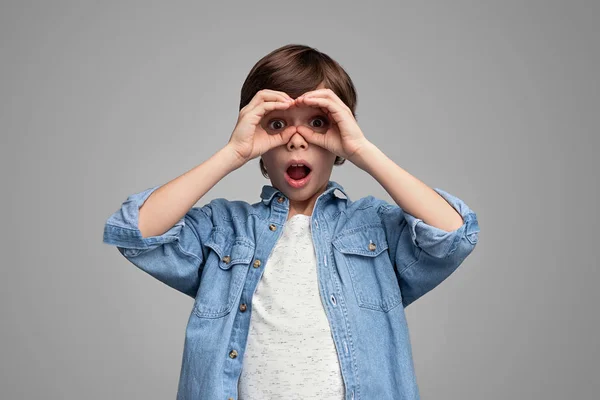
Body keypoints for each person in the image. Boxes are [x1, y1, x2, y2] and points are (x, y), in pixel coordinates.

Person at [103, 43, 480, 400]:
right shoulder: (225, 228)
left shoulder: (373, 226)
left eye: (318, 123)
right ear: (259, 147)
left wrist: (362, 149)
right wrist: (233, 152)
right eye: (276, 125)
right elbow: (136, 231)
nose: (297, 140)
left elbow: (454, 235)